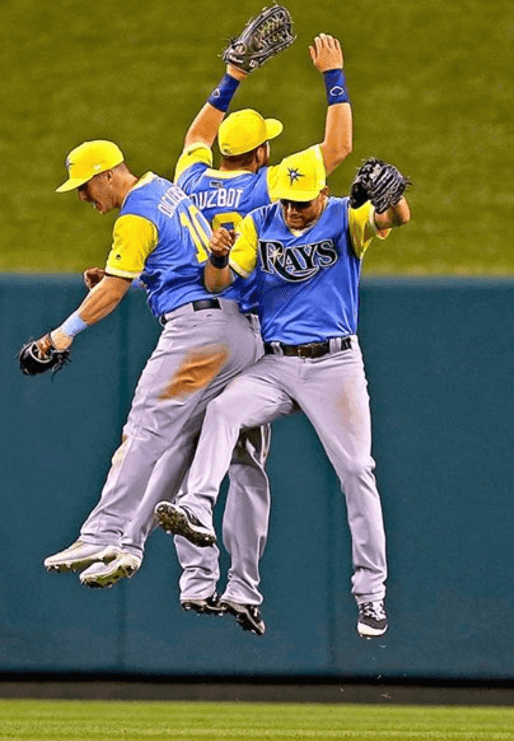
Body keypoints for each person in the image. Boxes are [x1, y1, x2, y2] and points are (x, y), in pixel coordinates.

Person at [83, 33, 355, 636]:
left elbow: (195, 138)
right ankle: (237, 586)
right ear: (262, 155)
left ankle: (186, 573)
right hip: (246, 332)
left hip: (193, 318)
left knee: (177, 447)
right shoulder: (268, 188)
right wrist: (333, 76)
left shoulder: (192, 180)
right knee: (244, 467)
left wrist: (232, 75)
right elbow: (336, 148)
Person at [154, 147, 411, 640]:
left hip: (335, 364)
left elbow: (395, 218)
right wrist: (218, 255)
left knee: (358, 471)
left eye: (302, 201)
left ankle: (371, 595)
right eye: (287, 200)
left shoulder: (343, 216)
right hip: (277, 362)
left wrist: (395, 196)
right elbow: (220, 281)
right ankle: (197, 507)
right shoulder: (259, 221)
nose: (293, 210)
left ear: (323, 191)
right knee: (223, 409)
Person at [37, 139, 262, 589]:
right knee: (176, 445)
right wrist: (138, 274)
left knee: (142, 432)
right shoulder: (164, 189)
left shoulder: (134, 215)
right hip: (240, 332)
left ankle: (100, 531)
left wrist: (57, 338)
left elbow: (112, 294)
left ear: (108, 174)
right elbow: (181, 256)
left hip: (199, 335)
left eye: (85, 186)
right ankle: (130, 542)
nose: (83, 197)